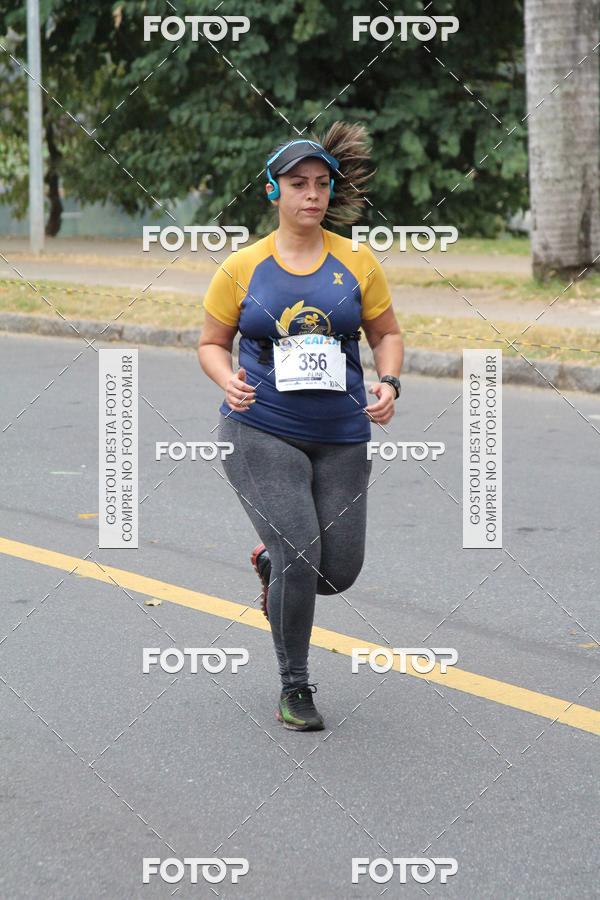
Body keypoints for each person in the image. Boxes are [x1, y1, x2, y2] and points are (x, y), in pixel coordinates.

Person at [197, 121, 404, 731]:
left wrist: (388, 383)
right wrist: (225, 377)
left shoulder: (357, 262)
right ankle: (295, 685)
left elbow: (386, 334)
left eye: (320, 184)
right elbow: (212, 343)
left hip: (341, 432)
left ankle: (273, 565)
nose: (311, 195)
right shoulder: (242, 267)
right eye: (297, 184)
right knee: (300, 549)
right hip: (260, 427)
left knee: (336, 571)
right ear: (273, 192)